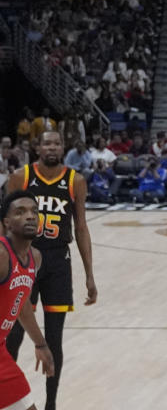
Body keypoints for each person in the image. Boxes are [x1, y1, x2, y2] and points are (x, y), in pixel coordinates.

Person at [4, 130, 98, 410]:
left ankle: (51, 404)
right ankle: (7, 393)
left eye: (57, 143)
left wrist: (90, 274)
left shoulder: (75, 180)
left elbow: (80, 227)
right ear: (38, 147)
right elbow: (4, 220)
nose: (52, 147)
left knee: (54, 337)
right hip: (24, 257)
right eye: (47, 143)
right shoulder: (20, 177)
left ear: (63, 147)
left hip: (58, 261)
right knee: (14, 332)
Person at [0, 191, 56, 410]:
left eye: (34, 211)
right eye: (20, 212)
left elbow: (21, 303)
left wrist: (40, 343)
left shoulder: (35, 257)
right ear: (7, 223)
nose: (30, 216)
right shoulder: (2, 255)